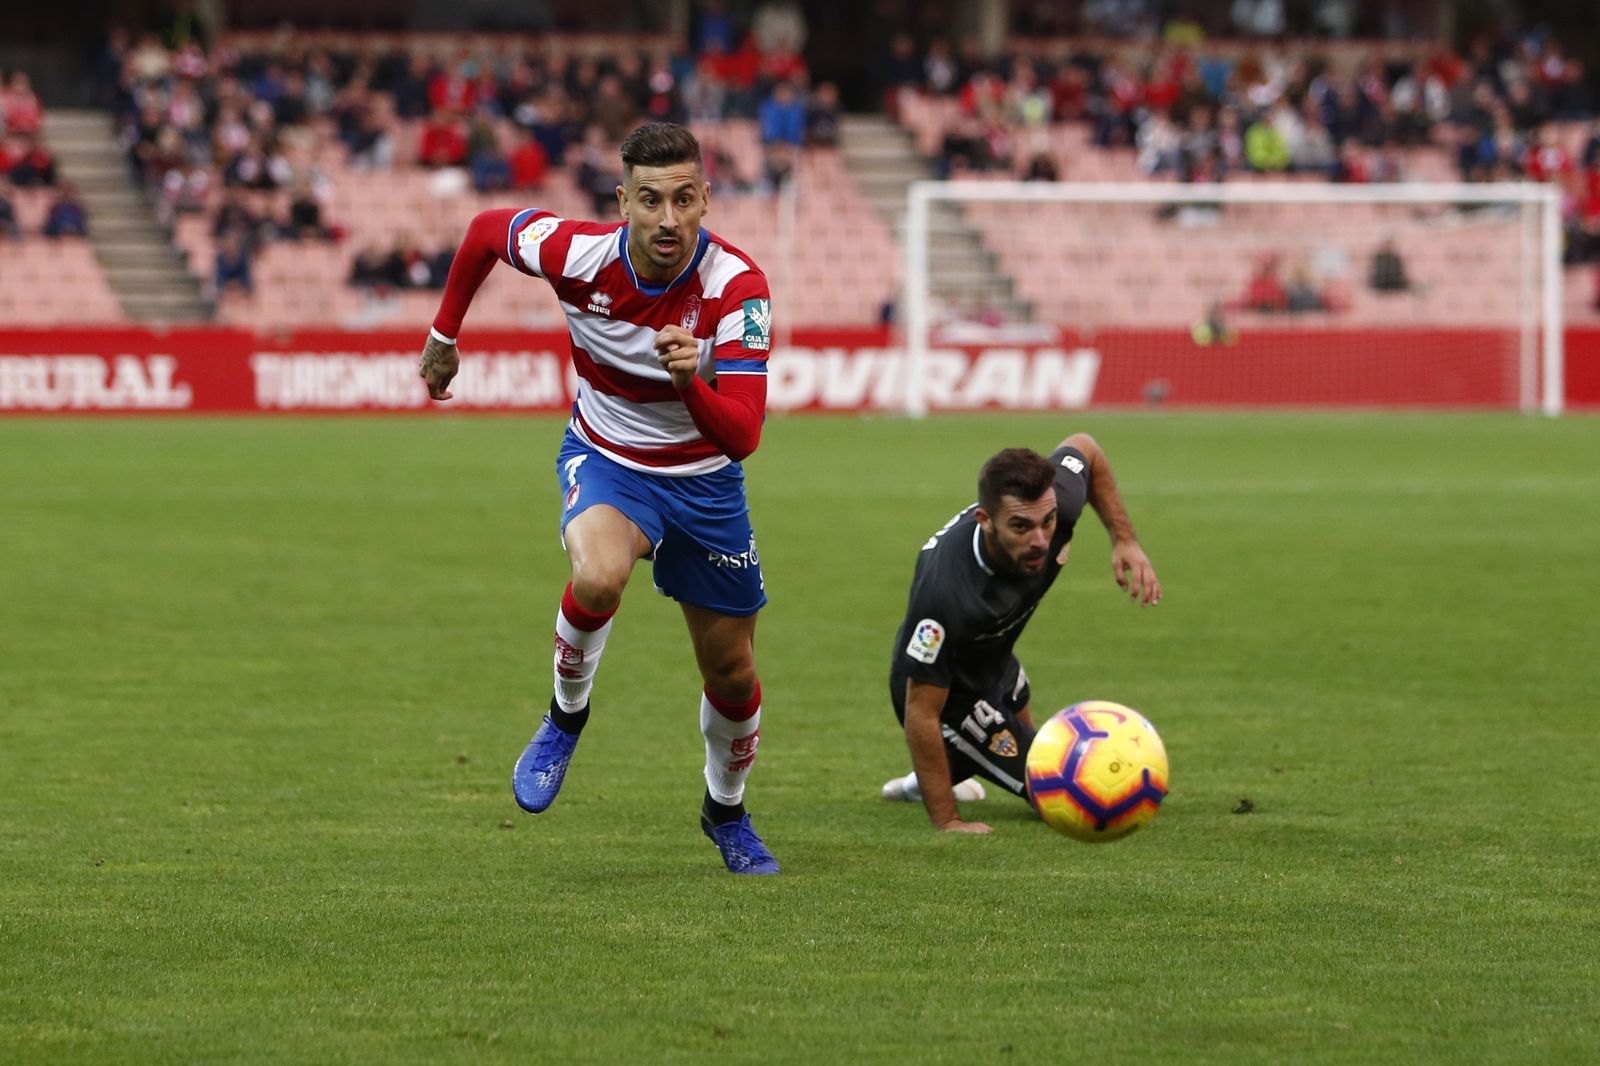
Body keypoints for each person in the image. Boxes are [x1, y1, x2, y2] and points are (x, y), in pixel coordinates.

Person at [418, 122, 779, 874]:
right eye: (650, 200)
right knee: (598, 576)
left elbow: (743, 435)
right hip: (609, 460)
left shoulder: (738, 289)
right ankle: (564, 717)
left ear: (706, 199)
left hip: (706, 483)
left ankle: (726, 810)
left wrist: (690, 384)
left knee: (733, 674)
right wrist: (444, 334)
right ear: (623, 202)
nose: (668, 219)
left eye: (684, 199)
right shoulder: (577, 254)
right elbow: (485, 232)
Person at [880, 440, 1161, 833]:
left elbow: (1087, 448)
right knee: (1061, 793)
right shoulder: (947, 593)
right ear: (985, 520)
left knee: (1033, 754)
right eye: (1021, 527)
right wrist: (948, 821)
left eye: (1048, 521)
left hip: (995, 656)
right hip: (949, 693)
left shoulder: (1057, 499)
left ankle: (939, 772)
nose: (1040, 540)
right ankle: (932, 780)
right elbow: (921, 710)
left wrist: (1124, 539)